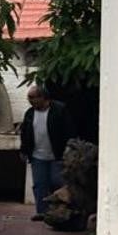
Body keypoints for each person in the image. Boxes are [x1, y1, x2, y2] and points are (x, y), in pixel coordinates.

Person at [19, 85, 78, 221]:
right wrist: (24, 150)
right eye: (29, 98)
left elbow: (68, 130)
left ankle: (61, 211)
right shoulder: (30, 113)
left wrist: (69, 150)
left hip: (57, 154)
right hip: (37, 155)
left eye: (33, 97)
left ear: (43, 97)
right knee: (40, 184)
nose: (30, 100)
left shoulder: (59, 110)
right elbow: (25, 133)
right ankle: (42, 212)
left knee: (57, 182)